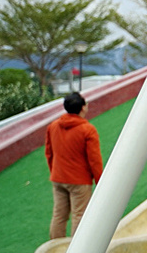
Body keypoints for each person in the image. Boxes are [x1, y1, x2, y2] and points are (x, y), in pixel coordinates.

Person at [44, 92, 104, 240]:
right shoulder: (87, 130)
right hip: (79, 180)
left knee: (59, 215)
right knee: (79, 215)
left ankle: (54, 248)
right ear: (83, 108)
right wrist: (100, 181)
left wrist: (54, 171)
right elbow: (94, 159)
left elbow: (49, 153)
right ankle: (75, 252)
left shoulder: (53, 126)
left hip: (58, 178)